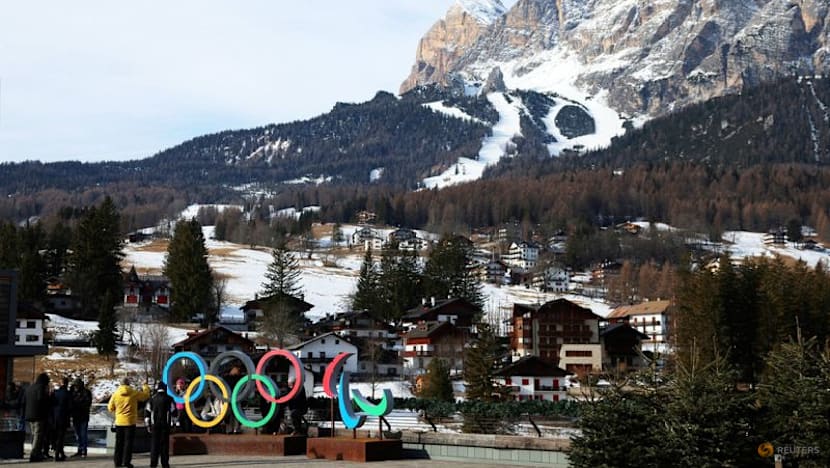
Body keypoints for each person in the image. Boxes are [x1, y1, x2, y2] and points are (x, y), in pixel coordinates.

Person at [107, 377, 150, 468]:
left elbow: (110, 408)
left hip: (119, 422)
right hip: (130, 422)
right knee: (128, 443)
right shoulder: (134, 393)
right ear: (128, 384)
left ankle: (117, 462)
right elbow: (145, 396)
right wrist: (145, 386)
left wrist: (117, 411)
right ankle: (126, 462)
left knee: (119, 443)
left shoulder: (115, 394)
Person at [144, 381, 176, 468]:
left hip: (155, 425)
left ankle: (153, 464)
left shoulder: (152, 399)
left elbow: (147, 413)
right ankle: (165, 464)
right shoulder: (169, 399)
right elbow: (174, 413)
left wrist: (148, 425)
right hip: (165, 425)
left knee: (154, 445)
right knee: (164, 445)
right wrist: (174, 424)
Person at [24, 373, 51, 462]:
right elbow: (42, 399)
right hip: (38, 415)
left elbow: (25, 401)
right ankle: (34, 454)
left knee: (33, 434)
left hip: (29, 415)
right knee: (38, 435)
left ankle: (35, 452)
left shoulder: (30, 387)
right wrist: (49, 397)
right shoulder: (41, 387)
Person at [70, 378, 92, 458]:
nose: (75, 387)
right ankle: (80, 449)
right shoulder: (73, 392)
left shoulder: (86, 392)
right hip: (77, 416)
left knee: (83, 434)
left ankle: (83, 450)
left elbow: (87, 403)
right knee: (78, 434)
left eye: (76, 385)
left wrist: (77, 404)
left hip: (83, 416)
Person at [51, 377, 72, 462]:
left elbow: (52, 404)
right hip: (63, 418)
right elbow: (70, 407)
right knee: (61, 437)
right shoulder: (68, 394)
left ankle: (61, 453)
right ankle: (57, 455)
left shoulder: (55, 393)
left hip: (55, 417)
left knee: (56, 436)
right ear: (67, 384)